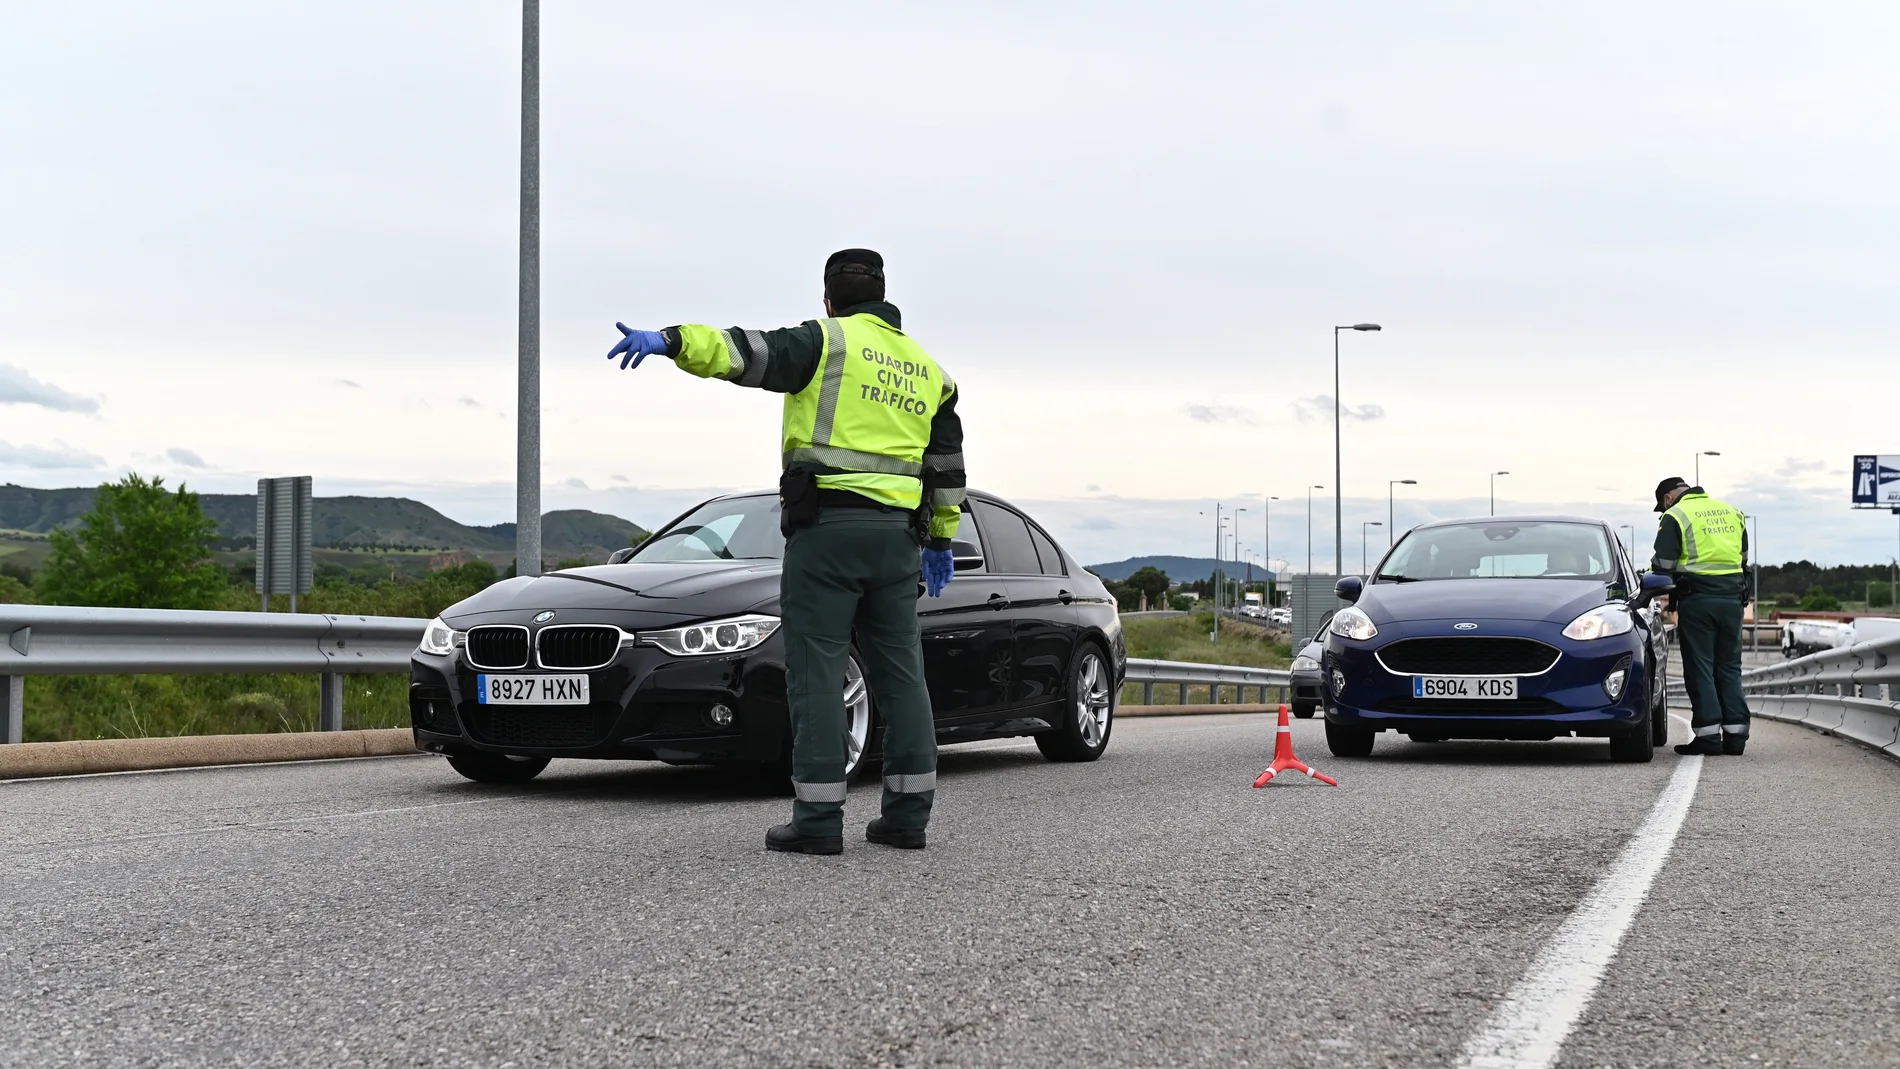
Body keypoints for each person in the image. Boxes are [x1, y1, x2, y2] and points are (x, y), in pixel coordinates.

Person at [606, 249, 965, 855]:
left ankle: (819, 820)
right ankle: (907, 819)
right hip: (898, 541)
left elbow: (744, 351)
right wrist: (941, 538)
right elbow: (948, 469)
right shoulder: (930, 371)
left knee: (819, 672)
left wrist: (671, 340)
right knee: (903, 675)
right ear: (885, 296)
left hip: (827, 533)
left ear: (829, 299)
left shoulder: (825, 342)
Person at [1650, 476, 1750, 756]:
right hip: (1732, 601)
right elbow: (1742, 559)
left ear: (1667, 499)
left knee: (1700, 667)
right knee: (1729, 667)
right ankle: (1736, 736)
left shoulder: (1676, 515)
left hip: (1698, 601)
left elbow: (1663, 565)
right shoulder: (1734, 513)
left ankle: (1708, 736)